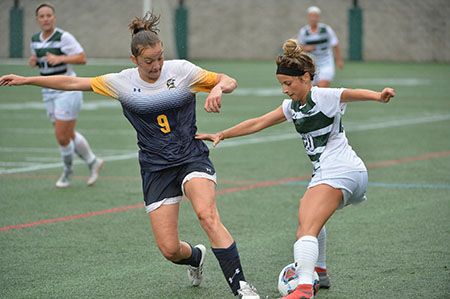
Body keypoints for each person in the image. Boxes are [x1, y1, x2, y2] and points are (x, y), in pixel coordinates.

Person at [1, 12, 260, 299]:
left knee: (207, 215)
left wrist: (219, 88)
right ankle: (195, 258)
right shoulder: (120, 82)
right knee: (170, 250)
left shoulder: (183, 71)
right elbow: (74, 83)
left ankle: (242, 289)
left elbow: (228, 79)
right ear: (134, 59)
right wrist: (27, 80)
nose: (157, 65)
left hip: (190, 157)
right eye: (149, 61)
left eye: (160, 58)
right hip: (155, 167)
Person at [196, 39, 395, 299]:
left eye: (288, 84)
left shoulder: (320, 96)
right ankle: (320, 273)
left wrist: (378, 96)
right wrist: (223, 133)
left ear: (305, 78)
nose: (284, 90)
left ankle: (303, 288)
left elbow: (349, 92)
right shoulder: (293, 107)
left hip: (339, 171)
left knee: (305, 228)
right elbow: (259, 122)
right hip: (346, 172)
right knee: (311, 218)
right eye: (281, 84)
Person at [30, 2, 103, 188]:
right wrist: (35, 61)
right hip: (48, 92)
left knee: (61, 136)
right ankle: (93, 161)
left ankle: (67, 172)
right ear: (37, 19)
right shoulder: (35, 39)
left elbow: (82, 58)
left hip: (67, 90)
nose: (45, 19)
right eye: (42, 16)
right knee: (67, 133)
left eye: (49, 15)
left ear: (54, 17)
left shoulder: (64, 37)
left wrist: (60, 58)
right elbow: (40, 60)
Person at [298, 6, 343, 88]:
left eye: (315, 16)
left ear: (318, 18)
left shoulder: (326, 29)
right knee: (313, 90)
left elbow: (335, 44)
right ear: (308, 17)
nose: (313, 19)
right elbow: (300, 47)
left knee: (322, 87)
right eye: (311, 16)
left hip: (326, 62)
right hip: (312, 64)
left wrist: (339, 60)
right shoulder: (304, 31)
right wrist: (307, 48)